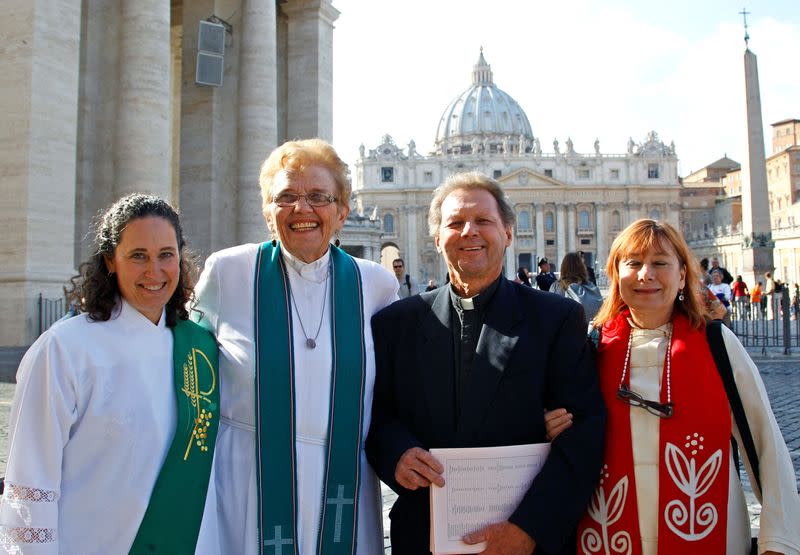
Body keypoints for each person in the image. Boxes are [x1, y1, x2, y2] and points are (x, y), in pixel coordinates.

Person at [366, 171, 606, 555]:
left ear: (508, 232)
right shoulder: (395, 323)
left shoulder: (556, 318)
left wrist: (531, 528)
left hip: (523, 535)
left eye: (483, 221)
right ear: (437, 236)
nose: (469, 232)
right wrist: (396, 454)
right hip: (424, 531)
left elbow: (584, 433)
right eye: (456, 223)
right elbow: (377, 416)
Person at [545, 219, 800, 554]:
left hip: (709, 532)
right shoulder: (591, 344)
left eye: (660, 263)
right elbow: (561, 426)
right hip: (609, 532)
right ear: (614, 273)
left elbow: (765, 442)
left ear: (682, 275)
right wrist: (548, 427)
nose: (645, 274)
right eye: (633, 263)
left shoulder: (717, 343)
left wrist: (777, 541)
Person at [193, 139, 397, 554]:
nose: (302, 209)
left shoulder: (375, 284)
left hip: (344, 486)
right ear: (268, 212)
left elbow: (407, 384)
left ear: (342, 211)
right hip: (247, 482)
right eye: (285, 196)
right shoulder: (228, 272)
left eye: (319, 197)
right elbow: (181, 364)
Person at [0, 194, 219, 553]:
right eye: (138, 256)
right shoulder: (65, 349)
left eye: (166, 255)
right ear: (110, 261)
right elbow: (30, 480)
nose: (154, 271)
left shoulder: (200, 348)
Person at [549, 252, 604, 324]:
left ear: (563, 267)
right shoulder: (591, 287)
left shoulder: (557, 286)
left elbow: (551, 311)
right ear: (582, 267)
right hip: (590, 331)